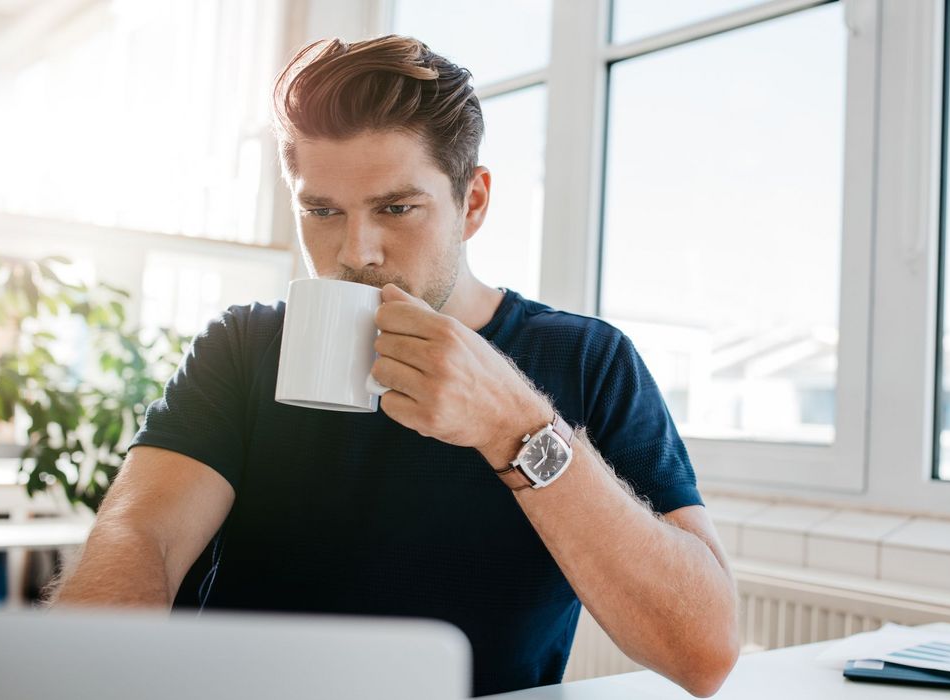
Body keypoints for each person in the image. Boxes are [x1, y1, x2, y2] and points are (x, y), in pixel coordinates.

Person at [50, 35, 739, 697]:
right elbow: (143, 536)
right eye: (321, 210)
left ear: (472, 202)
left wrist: (517, 428)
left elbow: (703, 655)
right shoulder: (245, 346)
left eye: (396, 208)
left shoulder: (587, 361)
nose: (358, 251)